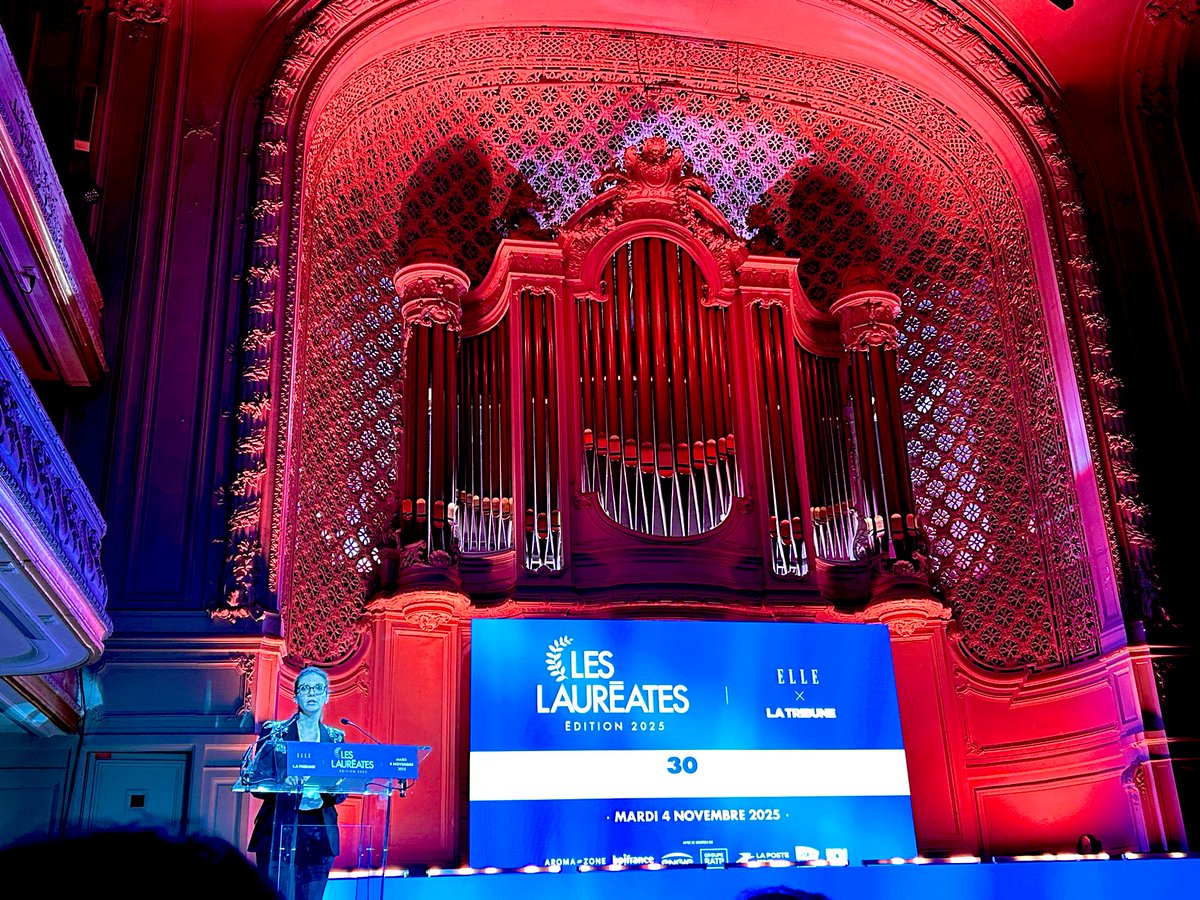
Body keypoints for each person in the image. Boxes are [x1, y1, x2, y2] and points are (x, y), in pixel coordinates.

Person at [247, 665, 346, 900]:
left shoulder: (336, 738)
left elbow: (341, 791)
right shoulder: (274, 733)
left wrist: (326, 793)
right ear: (295, 695)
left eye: (318, 688)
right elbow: (258, 781)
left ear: (326, 696)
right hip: (278, 829)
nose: (311, 693)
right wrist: (283, 783)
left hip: (319, 832)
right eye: (305, 688)